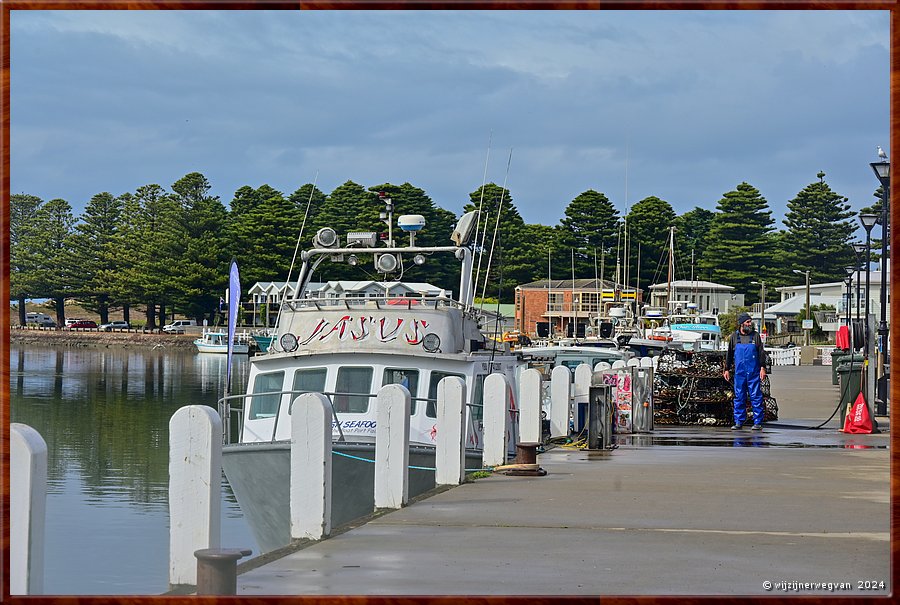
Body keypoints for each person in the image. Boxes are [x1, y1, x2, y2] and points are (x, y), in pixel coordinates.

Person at [723, 312, 766, 430]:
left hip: (753, 372)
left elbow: (761, 353)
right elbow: (729, 354)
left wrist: (763, 368)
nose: (749, 324)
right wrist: (726, 369)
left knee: (756, 396)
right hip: (739, 373)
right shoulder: (734, 337)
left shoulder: (755, 336)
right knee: (739, 396)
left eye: (750, 321)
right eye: (747, 322)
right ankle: (738, 421)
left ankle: (757, 422)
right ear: (741, 324)